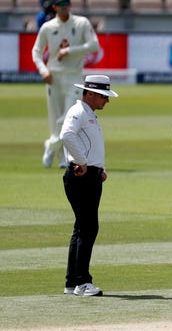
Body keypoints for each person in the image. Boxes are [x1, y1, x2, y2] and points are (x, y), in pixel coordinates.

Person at [60, 74, 119, 296]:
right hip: (81, 176)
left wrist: (98, 169)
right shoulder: (78, 112)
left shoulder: (89, 113)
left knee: (82, 228)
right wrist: (83, 163)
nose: (107, 101)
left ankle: (71, 281)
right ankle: (83, 282)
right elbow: (66, 135)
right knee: (88, 228)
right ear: (91, 93)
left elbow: (89, 144)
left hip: (90, 175)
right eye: (104, 96)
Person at [32, 0, 100, 169]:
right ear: (54, 7)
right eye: (61, 6)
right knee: (55, 118)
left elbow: (94, 45)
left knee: (66, 118)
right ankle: (63, 158)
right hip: (53, 76)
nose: (65, 9)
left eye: (67, 6)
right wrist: (43, 70)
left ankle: (50, 145)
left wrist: (69, 51)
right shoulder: (48, 27)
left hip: (74, 76)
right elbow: (36, 51)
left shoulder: (81, 23)